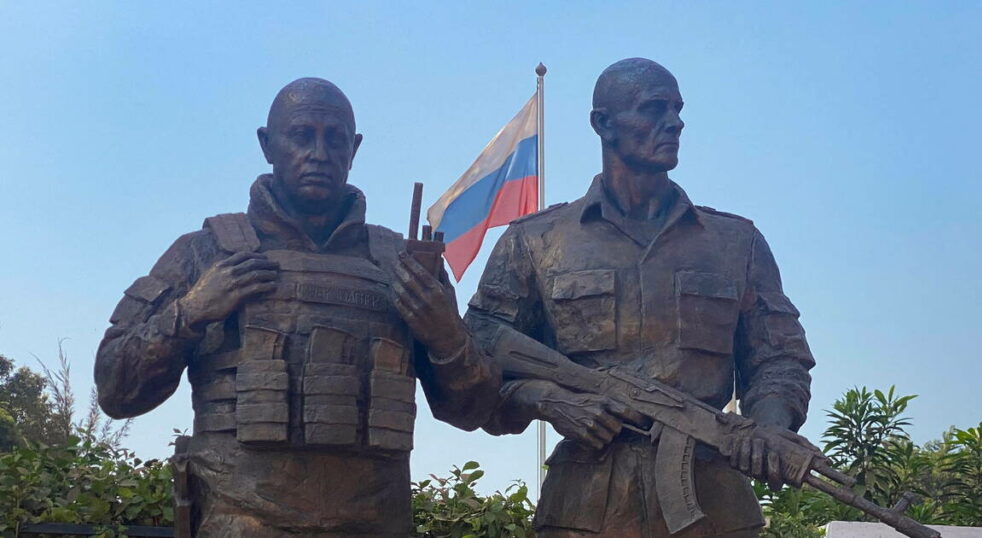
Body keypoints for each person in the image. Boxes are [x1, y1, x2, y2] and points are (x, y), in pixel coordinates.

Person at [95, 77, 498, 537]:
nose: (320, 153)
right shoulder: (204, 253)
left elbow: (474, 411)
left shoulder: (402, 266)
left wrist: (446, 336)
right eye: (302, 136)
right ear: (268, 145)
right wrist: (189, 314)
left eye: (336, 139)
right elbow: (115, 390)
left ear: (355, 149)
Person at [467, 59, 816, 537]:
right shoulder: (537, 241)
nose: (674, 122)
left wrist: (771, 429)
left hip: (714, 508)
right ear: (603, 123)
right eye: (654, 109)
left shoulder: (737, 243)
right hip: (584, 512)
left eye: (676, 109)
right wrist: (545, 398)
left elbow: (780, 360)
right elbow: (478, 368)